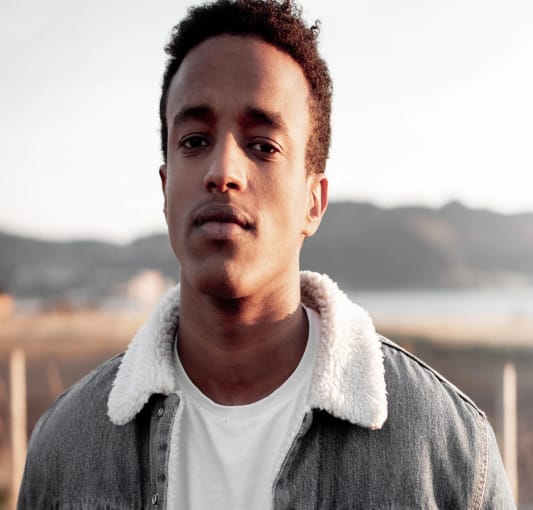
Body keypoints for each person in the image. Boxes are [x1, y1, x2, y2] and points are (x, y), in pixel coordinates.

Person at [18, 1, 515, 508]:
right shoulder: (66, 448)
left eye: (263, 146)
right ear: (166, 190)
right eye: (194, 140)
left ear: (313, 202)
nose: (223, 171)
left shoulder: (447, 451)